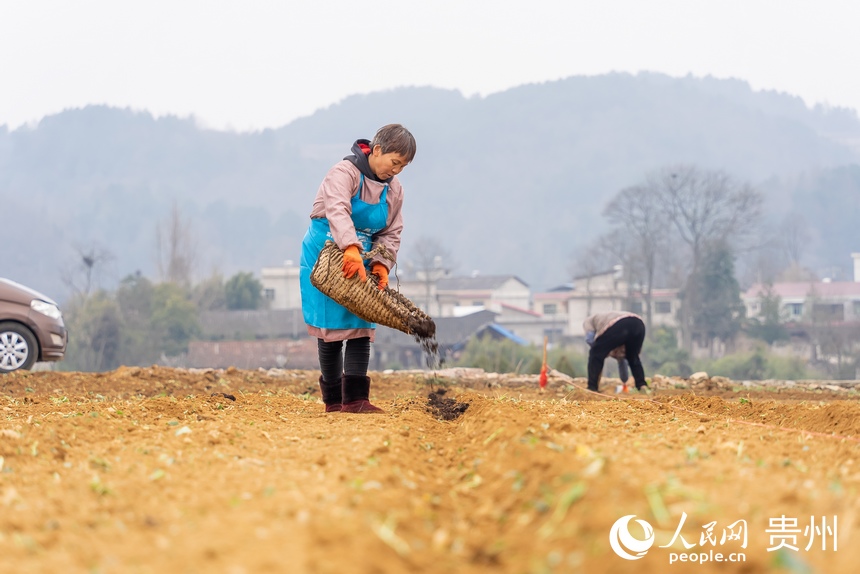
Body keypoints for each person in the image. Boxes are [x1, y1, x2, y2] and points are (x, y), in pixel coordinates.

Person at [299, 124, 417, 414]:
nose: (396, 170)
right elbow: (337, 210)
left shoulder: (394, 190)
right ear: (376, 150)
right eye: (394, 162)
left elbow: (392, 231)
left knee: (362, 323)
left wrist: (381, 263)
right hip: (325, 255)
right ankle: (333, 401)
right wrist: (349, 246)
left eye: (403, 166)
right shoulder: (344, 173)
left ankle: (355, 400)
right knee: (330, 329)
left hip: (361, 258)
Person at [583, 311, 648, 393]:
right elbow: (622, 358)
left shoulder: (588, 321)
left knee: (595, 353)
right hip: (638, 324)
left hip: (620, 324)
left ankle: (592, 387)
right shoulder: (605, 318)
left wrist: (602, 353)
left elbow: (590, 339)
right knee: (633, 357)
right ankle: (641, 385)